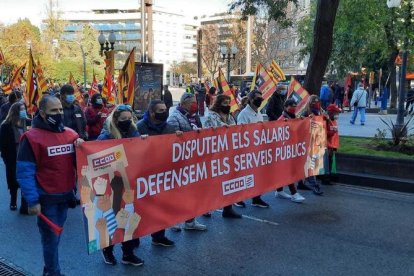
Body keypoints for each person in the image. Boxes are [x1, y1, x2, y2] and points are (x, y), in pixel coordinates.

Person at [16, 95, 82, 276]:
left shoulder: (71, 135)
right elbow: (25, 172)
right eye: (54, 110)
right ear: (43, 113)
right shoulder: (30, 138)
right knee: (51, 241)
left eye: (61, 109)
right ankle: (53, 273)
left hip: (66, 197)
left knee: (55, 239)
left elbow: (83, 163)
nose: (59, 113)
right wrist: (32, 201)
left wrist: (83, 149)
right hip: (47, 200)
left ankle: (50, 271)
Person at [97, 104, 144, 267]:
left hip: (129, 180)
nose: (127, 121)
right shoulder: (106, 136)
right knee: (112, 218)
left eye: (129, 118)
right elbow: (97, 155)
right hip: (113, 183)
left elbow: (140, 152)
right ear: (116, 119)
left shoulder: (133, 131)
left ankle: (128, 253)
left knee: (128, 216)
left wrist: (144, 142)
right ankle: (108, 251)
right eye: (123, 119)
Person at [136, 100, 178, 246]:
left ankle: (159, 235)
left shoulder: (169, 127)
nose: (165, 112)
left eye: (165, 109)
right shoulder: (140, 127)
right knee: (140, 206)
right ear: (152, 113)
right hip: (145, 173)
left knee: (162, 205)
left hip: (163, 172)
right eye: (161, 110)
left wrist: (180, 138)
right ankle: (134, 238)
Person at [167, 93, 207, 231]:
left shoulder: (194, 116)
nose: (194, 105)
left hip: (193, 159)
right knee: (177, 193)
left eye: (195, 102)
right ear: (183, 103)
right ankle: (173, 220)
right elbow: (170, 139)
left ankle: (190, 221)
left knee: (192, 192)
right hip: (179, 161)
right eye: (191, 103)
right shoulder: (174, 117)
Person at [203, 94, 242, 218]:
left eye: (229, 102)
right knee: (212, 182)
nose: (228, 105)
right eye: (225, 103)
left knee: (228, 180)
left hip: (228, 153)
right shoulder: (211, 116)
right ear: (218, 104)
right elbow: (210, 131)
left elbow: (235, 130)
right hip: (214, 153)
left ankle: (228, 208)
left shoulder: (229, 116)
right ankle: (205, 207)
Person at [234, 90, 270, 208]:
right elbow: (241, 133)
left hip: (257, 149)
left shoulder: (258, 113)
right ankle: (237, 198)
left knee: (258, 174)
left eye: (261, 98)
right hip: (247, 150)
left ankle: (256, 198)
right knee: (244, 175)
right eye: (257, 98)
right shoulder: (243, 114)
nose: (260, 100)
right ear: (251, 100)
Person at [0, 102, 29, 212]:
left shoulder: (28, 122)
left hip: (26, 157)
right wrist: (6, 159)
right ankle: (13, 200)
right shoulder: (6, 126)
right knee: (13, 181)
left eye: (24, 109)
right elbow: (3, 145)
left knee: (25, 180)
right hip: (12, 158)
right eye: (21, 109)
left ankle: (25, 204)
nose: (24, 111)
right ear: (15, 111)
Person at [275, 99, 306, 203]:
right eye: (291, 106)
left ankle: (279, 190)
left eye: (295, 106)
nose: (293, 108)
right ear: (285, 107)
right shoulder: (282, 119)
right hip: (284, 148)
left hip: (291, 148)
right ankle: (294, 193)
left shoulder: (293, 118)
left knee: (285, 170)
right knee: (289, 170)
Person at [298, 95, 324, 196]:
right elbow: (301, 125)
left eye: (317, 101)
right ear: (310, 102)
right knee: (310, 164)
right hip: (308, 141)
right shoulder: (306, 113)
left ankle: (301, 183)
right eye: (314, 102)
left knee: (310, 163)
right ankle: (314, 186)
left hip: (316, 140)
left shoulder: (320, 112)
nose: (316, 103)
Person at [323, 104, 341, 185]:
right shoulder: (325, 120)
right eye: (336, 112)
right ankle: (325, 179)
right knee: (326, 163)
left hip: (332, 146)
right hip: (327, 146)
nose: (337, 114)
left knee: (330, 162)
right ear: (330, 112)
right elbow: (323, 133)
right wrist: (331, 132)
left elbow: (335, 135)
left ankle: (328, 177)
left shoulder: (333, 120)